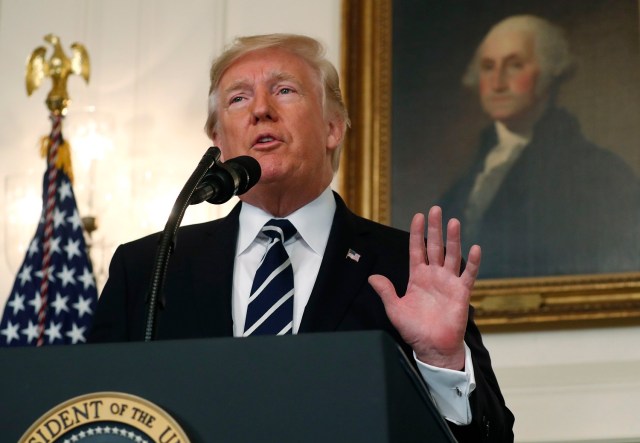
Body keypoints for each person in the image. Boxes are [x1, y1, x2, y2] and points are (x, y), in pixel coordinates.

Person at [89, 34, 514, 441]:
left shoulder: (408, 268)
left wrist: (441, 362)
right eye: (239, 98)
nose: (260, 110)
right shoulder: (149, 267)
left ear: (333, 128)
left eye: (285, 91)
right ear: (218, 143)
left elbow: (493, 440)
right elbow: (92, 417)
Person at [439, 15, 640, 278]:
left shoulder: (598, 172)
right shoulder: (465, 182)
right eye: (488, 67)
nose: (497, 83)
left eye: (515, 65)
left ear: (548, 72)